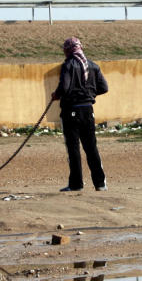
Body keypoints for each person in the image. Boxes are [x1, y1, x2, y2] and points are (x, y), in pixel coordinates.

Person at [52, 37, 109, 192]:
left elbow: (64, 87)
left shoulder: (68, 65)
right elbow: (104, 88)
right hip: (88, 111)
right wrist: (89, 94)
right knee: (91, 147)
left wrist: (56, 95)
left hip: (71, 110)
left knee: (73, 149)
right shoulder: (93, 66)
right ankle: (100, 184)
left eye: (64, 49)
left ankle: (76, 184)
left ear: (68, 50)